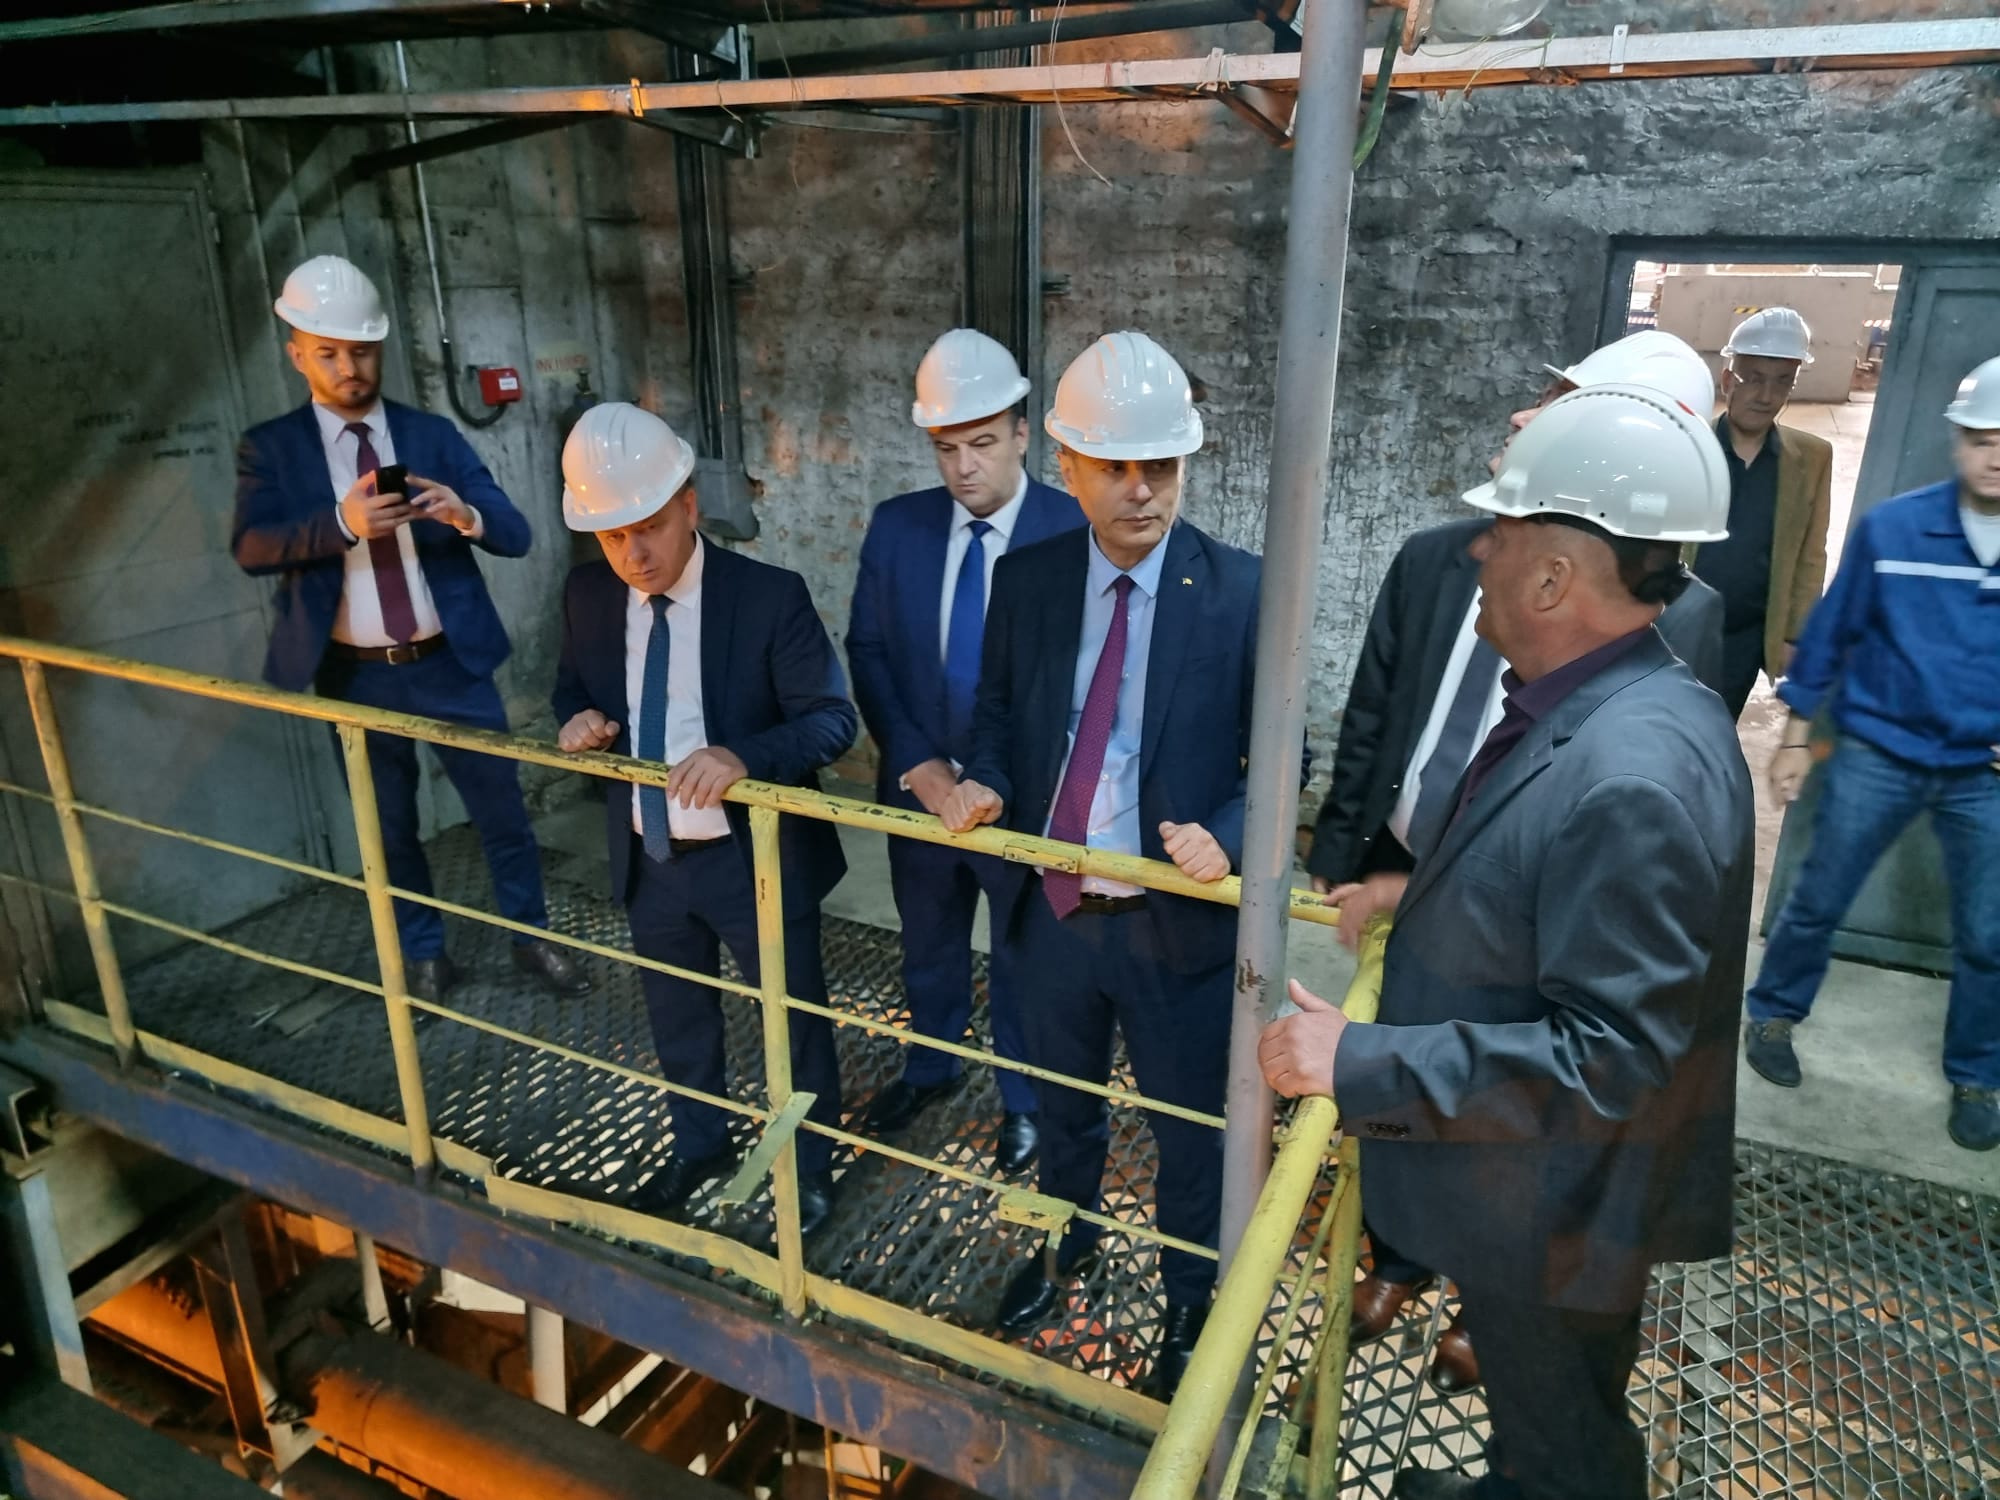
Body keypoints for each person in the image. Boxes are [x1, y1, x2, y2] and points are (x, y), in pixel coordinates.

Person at [1262, 383, 1753, 1500]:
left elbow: (1608, 1063)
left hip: (1556, 1218)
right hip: (1529, 1199)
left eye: (1502, 529)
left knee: (1565, 1450)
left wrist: (1357, 1060)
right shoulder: (1607, 707)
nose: (1477, 549)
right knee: (1538, 1436)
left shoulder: (1630, 777)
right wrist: (1431, 897)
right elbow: (1549, 885)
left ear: (1551, 578)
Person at [938, 331, 1261, 1399]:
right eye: (1113, 466)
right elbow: (996, 718)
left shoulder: (1239, 591)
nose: (1140, 489)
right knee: (1062, 1110)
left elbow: (1283, 757)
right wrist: (984, 783)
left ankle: (1187, 1302)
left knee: (1188, 1135)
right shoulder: (1029, 581)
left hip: (1174, 923)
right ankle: (1063, 1247)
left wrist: (1227, 831)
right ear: (1066, 465)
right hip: (1055, 915)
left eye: (1159, 465)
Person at [231, 254, 586, 1005]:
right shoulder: (272, 448)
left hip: (451, 665)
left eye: (362, 350)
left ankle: (532, 937)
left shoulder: (430, 435)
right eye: (328, 352)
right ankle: (426, 954)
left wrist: (467, 514)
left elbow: (517, 532)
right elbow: (252, 547)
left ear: (381, 348)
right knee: (388, 831)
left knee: (503, 815)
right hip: (355, 675)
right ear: (297, 354)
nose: (348, 368)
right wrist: (340, 524)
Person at [551, 403, 857, 1231]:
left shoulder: (768, 598)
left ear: (689, 504)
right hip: (650, 856)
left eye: (649, 527)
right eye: (613, 536)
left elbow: (832, 720)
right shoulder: (588, 596)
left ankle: (811, 1166)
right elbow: (569, 689)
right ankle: (701, 1146)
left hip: (751, 861)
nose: (634, 555)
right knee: (677, 1018)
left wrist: (742, 757)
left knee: (791, 1026)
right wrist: (576, 721)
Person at [1743, 355, 2000, 1154]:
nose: (1995, 455)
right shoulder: (1895, 530)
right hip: (1878, 751)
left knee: (1990, 933)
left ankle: (1978, 1073)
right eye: (1983, 438)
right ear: (1957, 441)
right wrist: (1795, 736)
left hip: (1981, 773)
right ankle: (1773, 1015)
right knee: (1819, 896)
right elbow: (1831, 633)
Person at [846, 330, 1083, 1174]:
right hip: (920, 791)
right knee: (927, 938)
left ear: (1022, 433)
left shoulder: (1074, 531)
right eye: (946, 448)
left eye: (982, 443)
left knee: (1021, 953)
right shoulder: (898, 527)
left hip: (1021, 798)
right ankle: (931, 1064)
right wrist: (920, 767)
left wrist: (990, 779)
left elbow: (1074, 677)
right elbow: (869, 651)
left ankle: (1023, 1098)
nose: (963, 467)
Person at [1688, 307, 1834, 718]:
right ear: (1727, 380)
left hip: (1745, 636)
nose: (1767, 396)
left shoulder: (1811, 458)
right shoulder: (1689, 445)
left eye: (1782, 381)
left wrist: (1794, 635)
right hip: (1673, 626)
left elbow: (1810, 555)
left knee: (1716, 729)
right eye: (1753, 378)